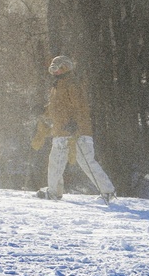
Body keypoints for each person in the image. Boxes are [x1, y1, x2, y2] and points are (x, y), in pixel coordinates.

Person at [32, 55, 116, 203]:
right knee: (55, 161)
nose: (55, 71)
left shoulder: (72, 84)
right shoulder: (57, 85)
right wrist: (42, 110)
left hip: (77, 132)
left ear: (65, 67)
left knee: (86, 161)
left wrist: (75, 124)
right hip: (60, 131)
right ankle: (54, 191)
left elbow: (81, 107)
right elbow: (56, 108)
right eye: (53, 68)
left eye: (58, 68)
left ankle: (108, 193)